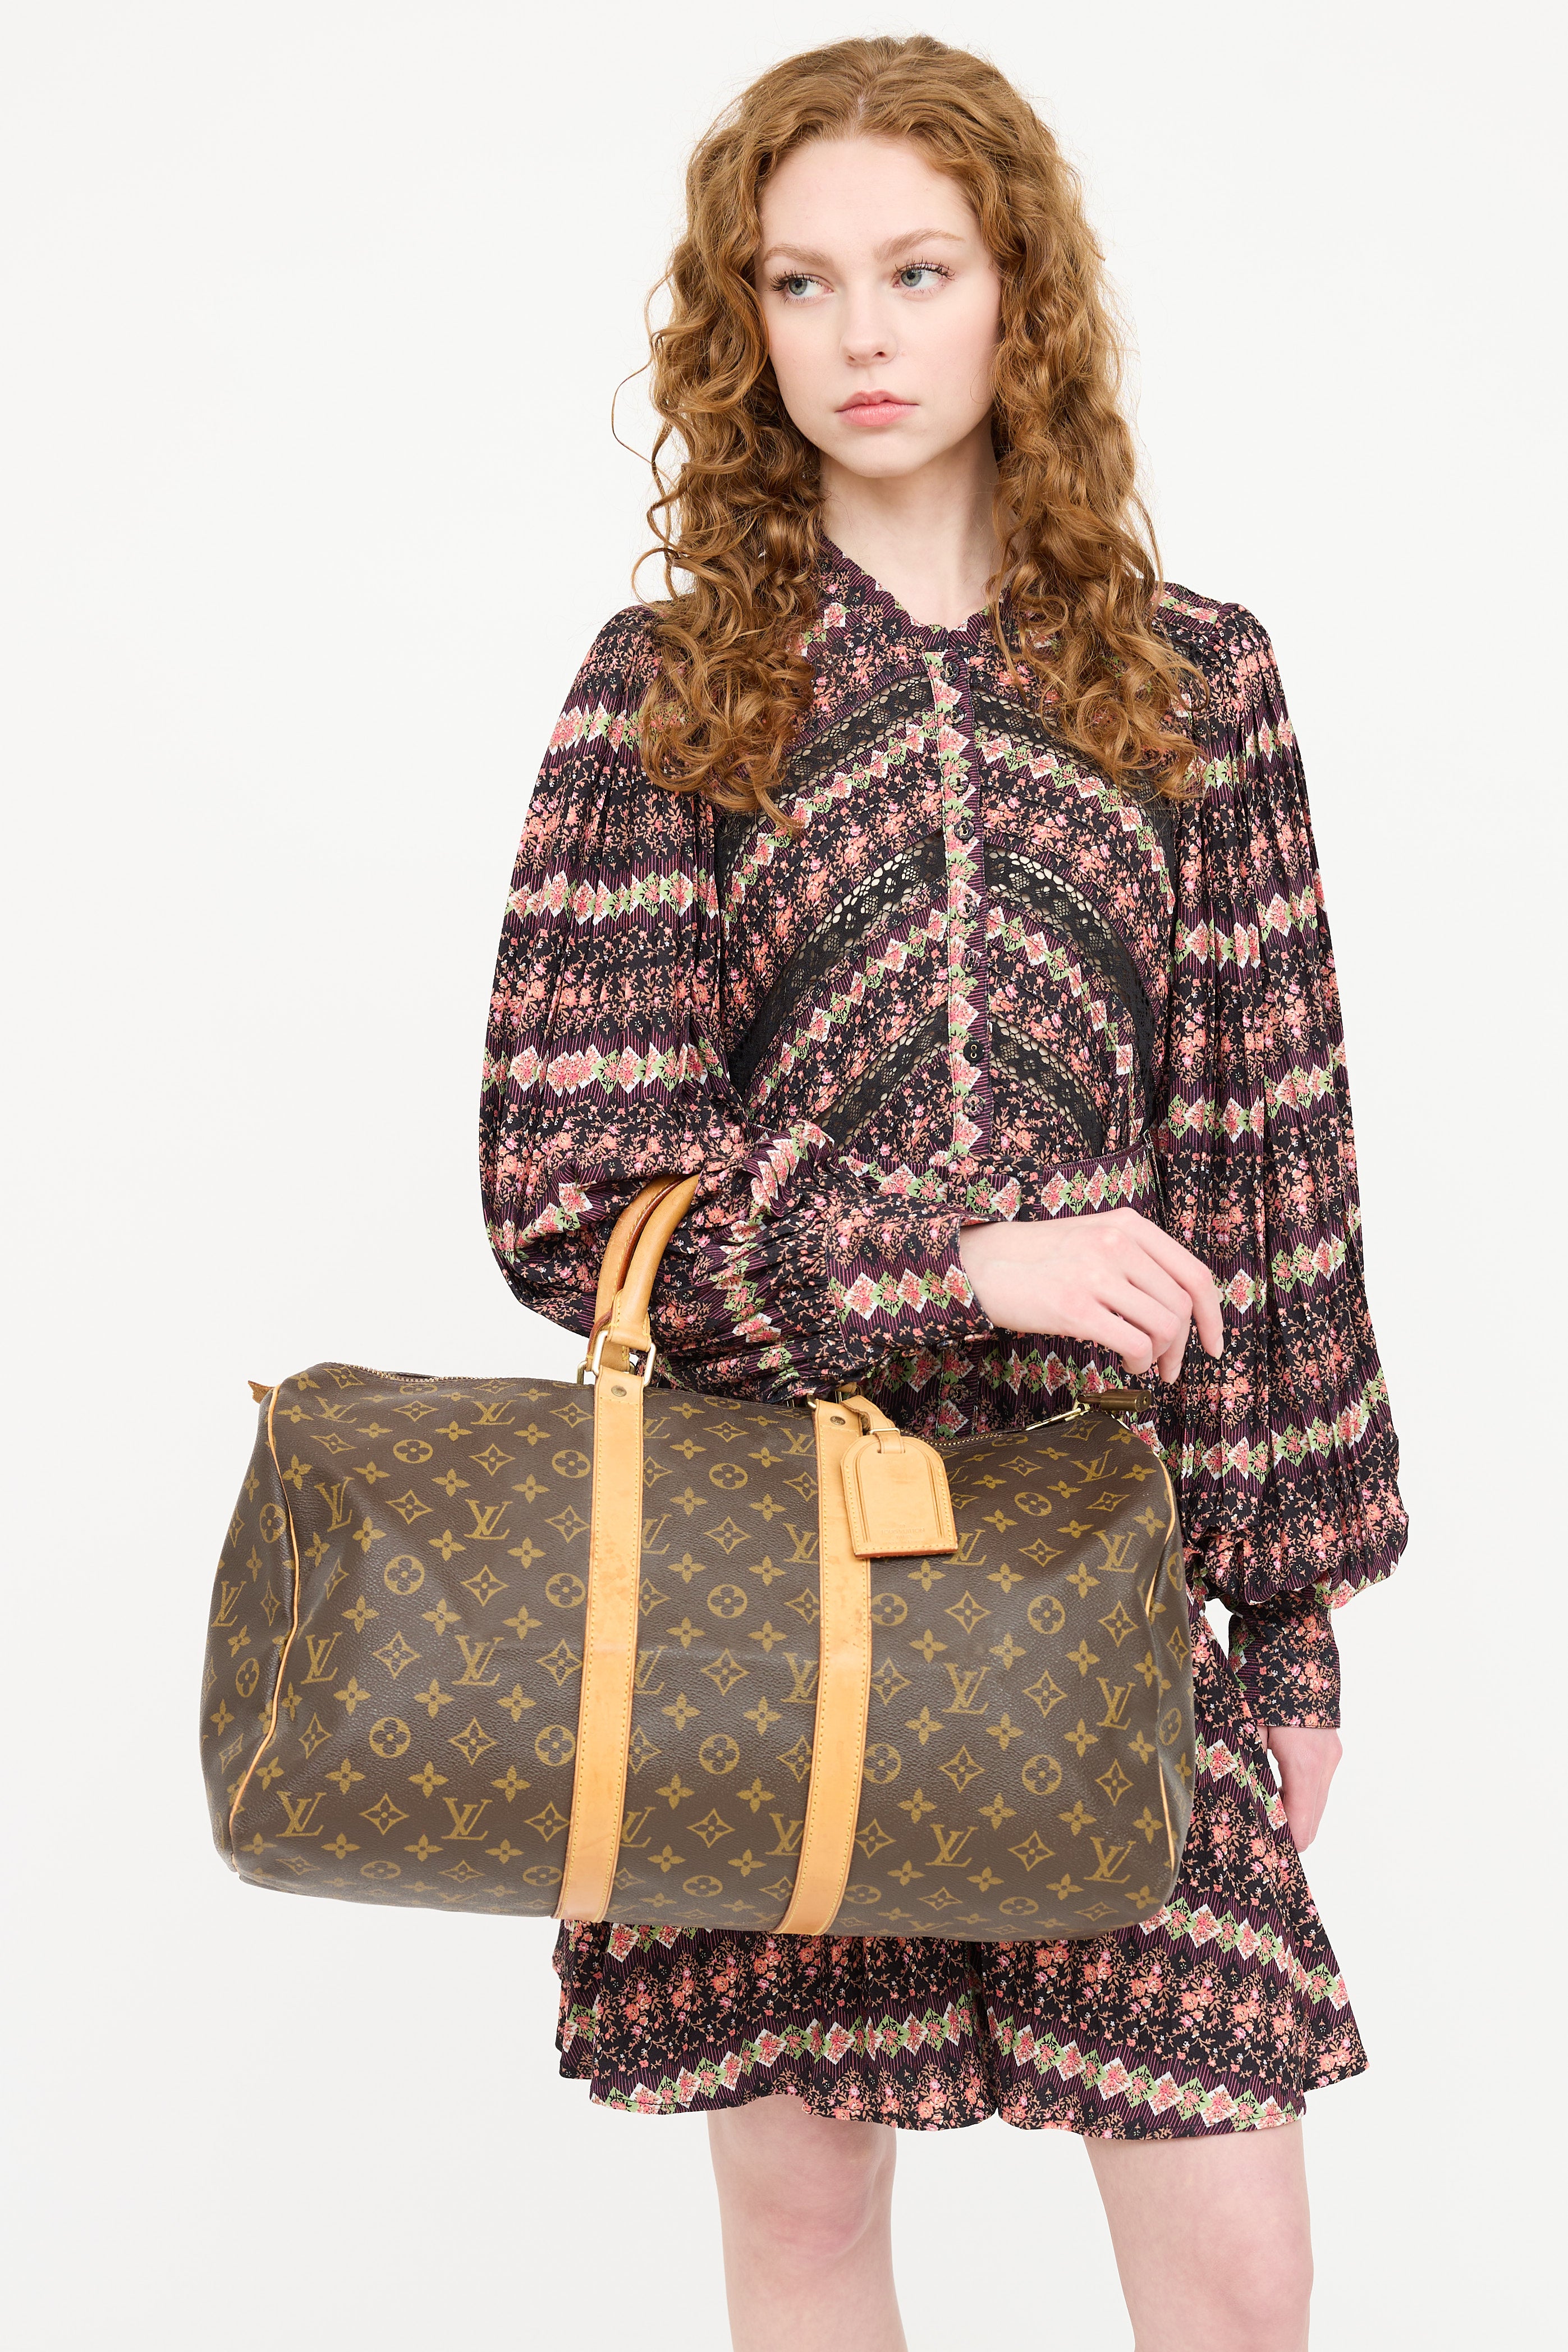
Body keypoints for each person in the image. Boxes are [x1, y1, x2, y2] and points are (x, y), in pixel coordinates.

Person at [480, 35, 1406, 2352]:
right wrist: (961, 1258)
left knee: (1240, 2271)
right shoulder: (669, 692)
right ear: (743, 322)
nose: (860, 336)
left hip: (1106, 1565)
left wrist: (1286, 1626)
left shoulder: (1197, 685)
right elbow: (573, 1196)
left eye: (917, 270)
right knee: (807, 2230)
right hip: (762, 1577)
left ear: (1021, 297)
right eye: (799, 283)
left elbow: (1271, 1175)